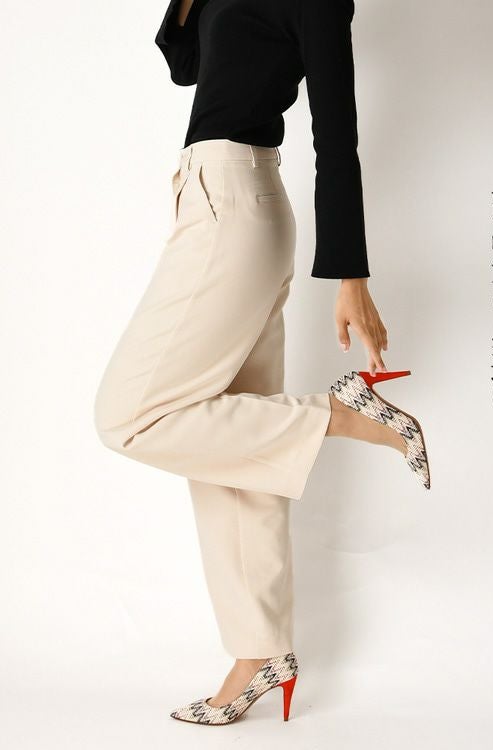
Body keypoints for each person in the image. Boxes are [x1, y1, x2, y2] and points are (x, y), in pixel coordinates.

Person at [92, 0, 430, 726]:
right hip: (219, 204)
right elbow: (187, 66)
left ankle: (342, 414)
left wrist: (350, 276)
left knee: (127, 416)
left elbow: (336, 134)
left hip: (233, 208)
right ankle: (260, 654)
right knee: (231, 456)